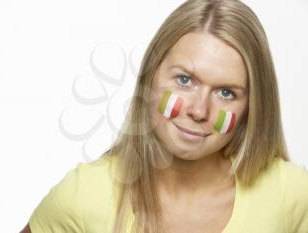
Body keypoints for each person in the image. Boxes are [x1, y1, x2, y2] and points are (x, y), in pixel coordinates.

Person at [20, 0, 308, 232]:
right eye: (185, 80)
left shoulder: (293, 195)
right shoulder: (83, 195)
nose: (199, 111)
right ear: (150, 77)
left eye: (226, 93)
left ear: (252, 106)